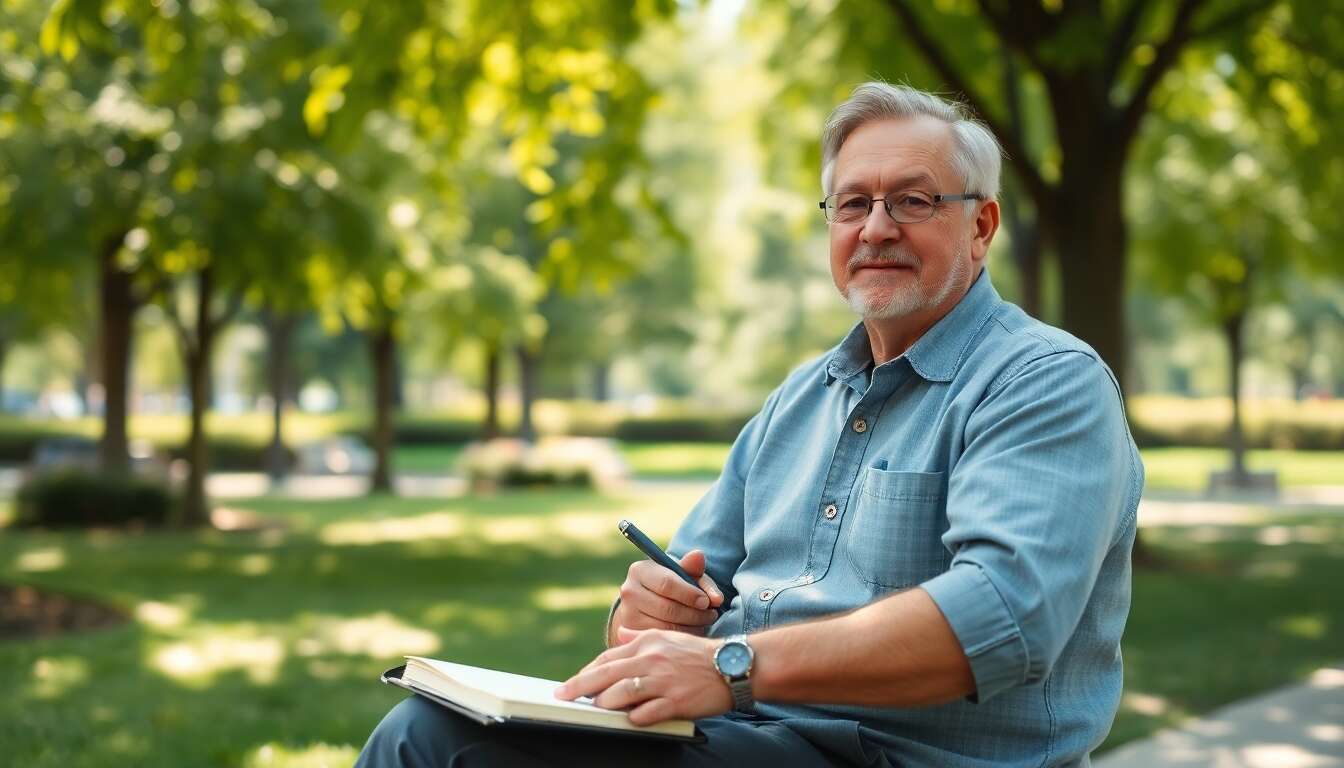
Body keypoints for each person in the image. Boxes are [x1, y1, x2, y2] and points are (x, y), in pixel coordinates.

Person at [355, 81, 1143, 768]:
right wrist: (643, 612)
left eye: (913, 200)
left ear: (981, 228)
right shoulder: (800, 398)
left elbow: (1004, 620)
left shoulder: (1043, 383)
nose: (875, 229)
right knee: (434, 723)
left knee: (433, 747)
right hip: (744, 741)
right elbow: (683, 591)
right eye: (852, 204)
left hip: (901, 757)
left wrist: (731, 666)